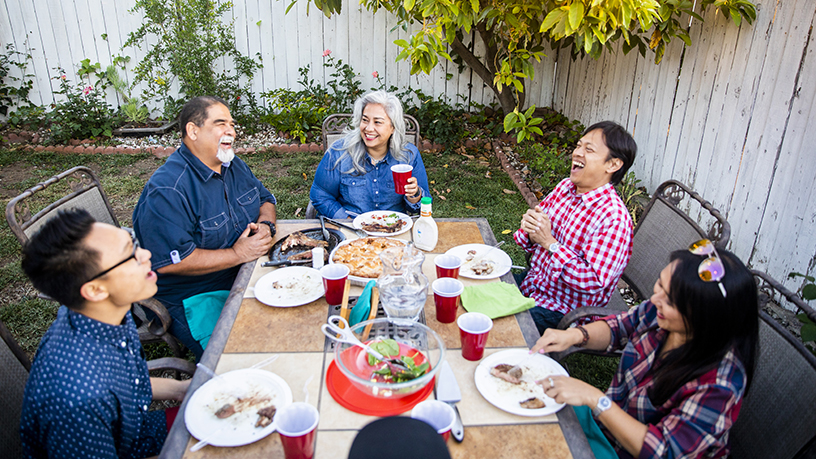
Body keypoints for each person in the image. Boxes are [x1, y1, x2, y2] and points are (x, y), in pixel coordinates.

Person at [531, 246, 759, 458]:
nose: (656, 299)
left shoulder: (719, 384)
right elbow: (619, 327)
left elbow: (663, 451)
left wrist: (596, 399)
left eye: (670, 300)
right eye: (660, 285)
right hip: (604, 430)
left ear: (704, 320)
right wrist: (575, 335)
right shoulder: (658, 314)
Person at [19, 209, 191, 459]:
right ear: (96, 290)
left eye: (133, 242)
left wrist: (184, 389)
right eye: (129, 255)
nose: (145, 254)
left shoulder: (102, 314)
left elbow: (132, 384)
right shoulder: (78, 399)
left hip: (135, 432)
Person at [133, 96, 276, 360]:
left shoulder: (232, 165)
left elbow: (265, 199)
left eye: (232, 124)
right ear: (193, 131)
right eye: (220, 123)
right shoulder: (167, 190)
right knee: (242, 358)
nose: (231, 131)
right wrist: (237, 255)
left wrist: (266, 225)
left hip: (246, 271)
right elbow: (170, 262)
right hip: (195, 294)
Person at [513, 121, 637, 334]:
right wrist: (531, 230)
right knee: (473, 288)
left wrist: (549, 243)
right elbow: (531, 237)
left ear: (613, 164)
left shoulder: (613, 219)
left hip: (565, 311)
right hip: (534, 284)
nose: (577, 153)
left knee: (497, 325)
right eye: (578, 146)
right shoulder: (566, 188)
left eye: (588, 149)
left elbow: (592, 282)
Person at [310, 90, 431, 219]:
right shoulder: (339, 152)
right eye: (365, 120)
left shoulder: (408, 155)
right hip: (350, 231)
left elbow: (424, 203)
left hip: (394, 230)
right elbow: (320, 195)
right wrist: (347, 221)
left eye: (377, 122)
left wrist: (415, 195)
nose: (368, 128)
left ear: (393, 127)